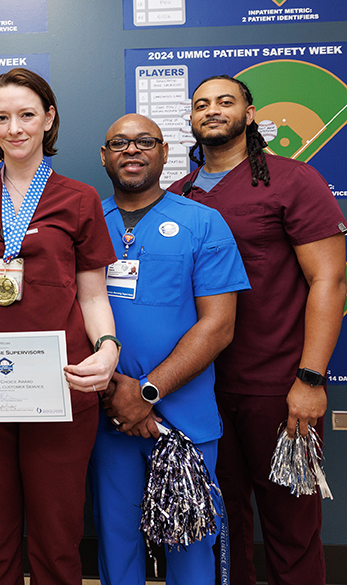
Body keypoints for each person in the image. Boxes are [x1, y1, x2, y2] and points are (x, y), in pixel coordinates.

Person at [0, 68, 119, 584]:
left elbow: (93, 292)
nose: (14, 128)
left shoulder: (79, 200)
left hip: (59, 384)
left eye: (27, 115)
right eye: (1, 117)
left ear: (49, 118)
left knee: (57, 541)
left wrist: (107, 348)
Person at [168, 76, 347, 585]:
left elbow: (329, 280)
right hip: (198, 387)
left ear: (250, 114)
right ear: (191, 120)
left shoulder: (294, 180)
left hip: (276, 385)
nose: (212, 110)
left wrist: (311, 379)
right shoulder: (177, 195)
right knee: (219, 527)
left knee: (291, 527)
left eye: (226, 101)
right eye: (201, 104)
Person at [90, 114, 249, 585]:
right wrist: (117, 395)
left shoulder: (203, 222)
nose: (131, 150)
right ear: (104, 156)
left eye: (145, 141)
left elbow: (218, 327)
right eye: (119, 142)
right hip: (107, 415)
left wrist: (145, 393)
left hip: (184, 417)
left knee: (193, 546)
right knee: (116, 541)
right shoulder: (86, 221)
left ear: (164, 152)